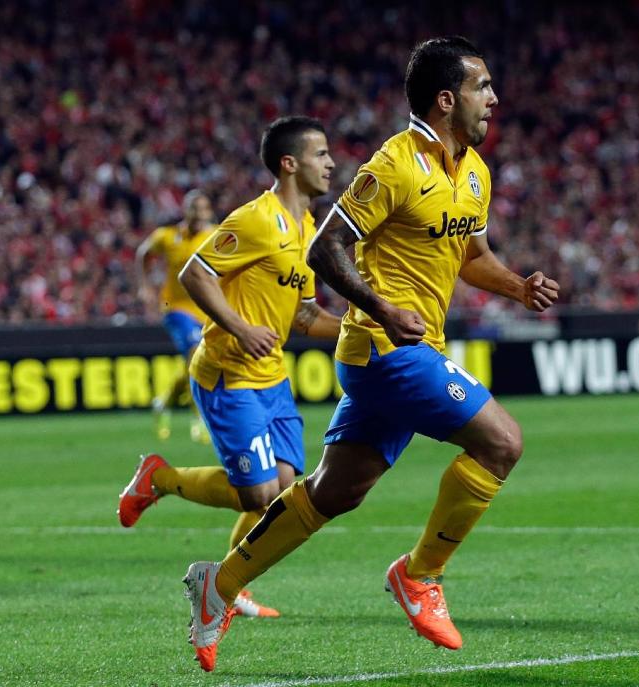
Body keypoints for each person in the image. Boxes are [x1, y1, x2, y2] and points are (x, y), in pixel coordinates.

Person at [179, 36, 561, 672]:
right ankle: (420, 576)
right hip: (386, 348)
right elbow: (326, 248)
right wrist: (383, 308)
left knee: (334, 491)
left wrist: (517, 286)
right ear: (446, 99)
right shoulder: (395, 164)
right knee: (501, 443)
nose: (494, 98)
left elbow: (472, 256)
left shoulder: (473, 172)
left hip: (404, 349)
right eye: (482, 87)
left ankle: (216, 587)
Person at [118, 116, 341, 620]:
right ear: (290, 163)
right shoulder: (255, 219)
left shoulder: (307, 228)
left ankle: (228, 582)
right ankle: (159, 478)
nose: (330, 163)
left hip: (272, 379)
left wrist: (364, 324)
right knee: (256, 492)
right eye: (320, 154)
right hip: (228, 373)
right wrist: (241, 328)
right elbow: (195, 274)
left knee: (282, 494)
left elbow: (306, 315)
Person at [135, 189, 215, 442]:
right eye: (194, 209)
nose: (199, 214)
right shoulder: (167, 237)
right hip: (176, 308)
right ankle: (199, 419)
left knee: (196, 363)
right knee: (195, 355)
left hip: (207, 310)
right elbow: (144, 254)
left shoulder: (217, 235)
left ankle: (163, 402)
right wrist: (145, 286)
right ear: (185, 211)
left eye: (203, 209)